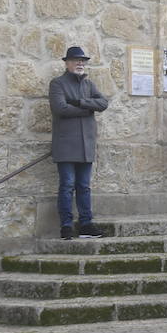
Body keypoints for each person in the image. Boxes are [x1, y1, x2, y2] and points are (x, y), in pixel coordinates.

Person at [49, 46, 109, 239]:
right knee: (67, 185)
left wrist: (81, 103)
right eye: (76, 60)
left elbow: (103, 103)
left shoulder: (89, 85)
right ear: (67, 63)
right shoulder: (57, 84)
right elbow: (60, 108)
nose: (80, 63)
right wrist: (88, 109)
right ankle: (66, 225)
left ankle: (86, 224)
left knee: (84, 186)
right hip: (66, 144)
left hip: (86, 145)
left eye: (83, 60)